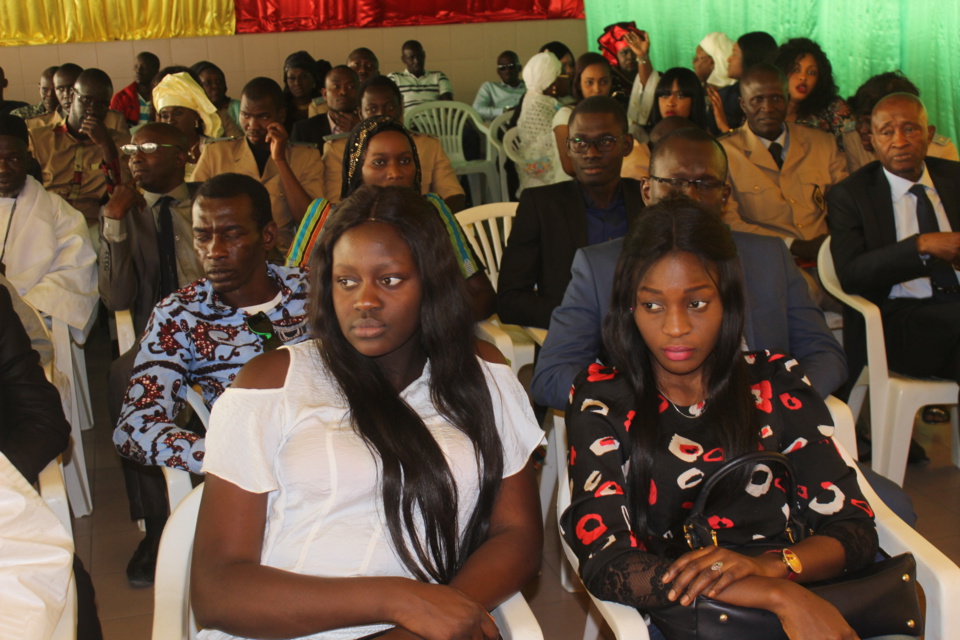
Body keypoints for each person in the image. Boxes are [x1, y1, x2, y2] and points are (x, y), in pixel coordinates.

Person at [191, 184, 543, 640]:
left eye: (390, 279)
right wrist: (398, 599)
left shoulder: (483, 376)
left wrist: (424, 624)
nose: (365, 301)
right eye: (346, 280)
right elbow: (217, 589)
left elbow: (518, 535)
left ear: (432, 283)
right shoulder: (271, 383)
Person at [561, 196, 887, 640]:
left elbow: (853, 526)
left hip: (802, 586)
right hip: (692, 614)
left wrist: (775, 569)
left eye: (696, 303)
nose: (675, 327)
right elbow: (608, 561)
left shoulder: (775, 382)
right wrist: (775, 596)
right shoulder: (602, 400)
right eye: (653, 305)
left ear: (728, 300)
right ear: (629, 307)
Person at [533, 126, 847, 410]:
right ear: (647, 191)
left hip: (759, 424)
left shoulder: (768, 257)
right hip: (653, 439)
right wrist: (648, 405)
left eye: (706, 184)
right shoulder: (600, 267)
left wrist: (777, 405)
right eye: (676, 182)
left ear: (725, 197)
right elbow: (552, 375)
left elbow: (825, 354)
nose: (691, 196)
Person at [112, 173, 311, 585]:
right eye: (203, 237)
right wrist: (227, 455)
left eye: (231, 234)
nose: (214, 251)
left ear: (268, 235)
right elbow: (135, 428)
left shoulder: (313, 291)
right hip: (259, 482)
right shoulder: (181, 316)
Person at [827, 93, 960, 467]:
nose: (899, 141)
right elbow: (851, 274)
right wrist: (920, 246)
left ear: (929, 133)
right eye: (887, 132)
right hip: (898, 323)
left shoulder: (954, 178)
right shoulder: (850, 195)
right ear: (870, 139)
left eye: (910, 129)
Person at [289, 116, 495, 320]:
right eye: (379, 162)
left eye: (405, 161)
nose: (395, 173)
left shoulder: (434, 212)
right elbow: (291, 295)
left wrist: (422, 326)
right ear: (358, 170)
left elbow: (481, 293)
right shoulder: (326, 217)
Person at [498, 96, 642, 330]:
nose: (591, 153)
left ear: (626, 145)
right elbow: (509, 301)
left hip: (644, 340)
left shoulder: (648, 201)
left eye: (604, 141)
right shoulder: (541, 206)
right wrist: (582, 317)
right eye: (580, 142)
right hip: (574, 343)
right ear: (567, 148)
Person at [720, 63, 847, 280]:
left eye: (776, 98)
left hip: (829, 262)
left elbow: (846, 204)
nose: (768, 108)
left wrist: (835, 242)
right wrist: (793, 245)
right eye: (757, 100)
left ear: (788, 99)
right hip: (766, 269)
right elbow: (729, 223)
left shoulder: (822, 143)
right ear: (743, 104)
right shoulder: (723, 154)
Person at [192, 77, 324, 254]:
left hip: (285, 258)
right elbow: (193, 213)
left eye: (263, 116)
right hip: (229, 253)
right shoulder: (216, 153)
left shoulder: (306, 156)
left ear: (281, 115)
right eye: (246, 115)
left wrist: (280, 160)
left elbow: (310, 221)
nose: (252, 125)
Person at [0, 114, 98, 333]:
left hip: (33, 320)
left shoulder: (56, 211)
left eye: (12, 158)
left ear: (27, 158)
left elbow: (74, 272)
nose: (2, 169)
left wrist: (22, 310)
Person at [321, 75, 465, 211]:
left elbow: (453, 195)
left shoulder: (428, 145)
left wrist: (427, 220)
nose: (381, 114)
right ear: (360, 113)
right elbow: (337, 205)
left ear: (401, 108)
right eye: (372, 109)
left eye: (389, 107)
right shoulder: (339, 150)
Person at [28, 68, 131, 226]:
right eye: (86, 100)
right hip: (45, 221)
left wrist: (107, 147)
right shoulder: (38, 139)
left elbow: (121, 196)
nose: (92, 109)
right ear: (71, 96)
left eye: (101, 105)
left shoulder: (120, 143)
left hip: (93, 224)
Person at [844, 71, 958, 174]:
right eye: (858, 120)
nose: (862, 129)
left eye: (869, 122)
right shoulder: (852, 139)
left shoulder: (941, 151)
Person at [153, 71, 240, 180]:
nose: (170, 121)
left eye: (177, 113)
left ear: (196, 116)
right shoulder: (156, 154)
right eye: (165, 116)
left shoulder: (214, 150)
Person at [774, 38, 851, 146]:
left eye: (811, 72)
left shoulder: (833, 109)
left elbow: (853, 153)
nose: (803, 77)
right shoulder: (764, 108)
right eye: (796, 70)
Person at [554, 53, 615, 178]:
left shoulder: (614, 115)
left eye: (604, 82)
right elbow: (570, 167)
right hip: (572, 189)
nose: (597, 89)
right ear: (578, 84)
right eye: (589, 82)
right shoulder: (566, 115)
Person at [514, 51, 567, 193]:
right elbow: (553, 146)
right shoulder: (537, 107)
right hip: (542, 177)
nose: (566, 76)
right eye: (560, 74)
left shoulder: (540, 98)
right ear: (551, 82)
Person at [721, 31, 779, 131]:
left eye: (735, 54)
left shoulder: (777, 97)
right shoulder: (724, 96)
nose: (728, 59)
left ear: (751, 59)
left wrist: (723, 126)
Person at [290, 65, 360, 144]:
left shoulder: (369, 126)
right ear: (325, 94)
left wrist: (360, 130)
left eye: (350, 87)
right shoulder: (303, 130)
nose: (343, 92)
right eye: (336, 86)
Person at [387, 40, 454, 108]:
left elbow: (449, 105)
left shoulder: (438, 77)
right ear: (404, 59)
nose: (416, 61)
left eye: (419, 56)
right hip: (408, 118)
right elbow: (389, 105)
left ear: (424, 55)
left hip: (433, 118)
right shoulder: (394, 78)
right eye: (411, 57)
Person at [649, 68, 710, 132]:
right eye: (665, 96)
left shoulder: (704, 140)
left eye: (680, 96)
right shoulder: (647, 138)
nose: (670, 103)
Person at [110, 52, 161, 128]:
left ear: (156, 71)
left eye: (143, 67)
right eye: (136, 67)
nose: (138, 71)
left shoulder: (162, 95)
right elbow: (113, 128)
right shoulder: (121, 98)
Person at [472, 50, 525, 122]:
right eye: (502, 68)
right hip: (501, 127)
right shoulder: (489, 87)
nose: (507, 71)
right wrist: (505, 110)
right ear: (498, 72)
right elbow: (477, 109)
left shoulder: (531, 87)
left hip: (529, 125)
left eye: (511, 66)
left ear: (519, 68)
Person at [191, 61, 241, 133]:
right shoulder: (191, 114)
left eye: (218, 81)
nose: (215, 86)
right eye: (207, 83)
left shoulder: (238, 107)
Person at [281, 51, 324, 130]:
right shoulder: (281, 108)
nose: (297, 83)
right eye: (292, 78)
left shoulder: (325, 105)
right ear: (286, 81)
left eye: (303, 77)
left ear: (313, 78)